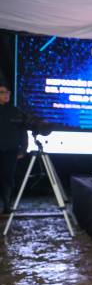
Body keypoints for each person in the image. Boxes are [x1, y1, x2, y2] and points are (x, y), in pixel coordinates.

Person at [0, 82, 28, 214]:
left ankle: (7, 205)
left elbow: (23, 131)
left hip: (10, 151)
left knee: (8, 177)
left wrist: (23, 149)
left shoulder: (15, 111)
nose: (6, 95)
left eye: (8, 93)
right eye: (3, 92)